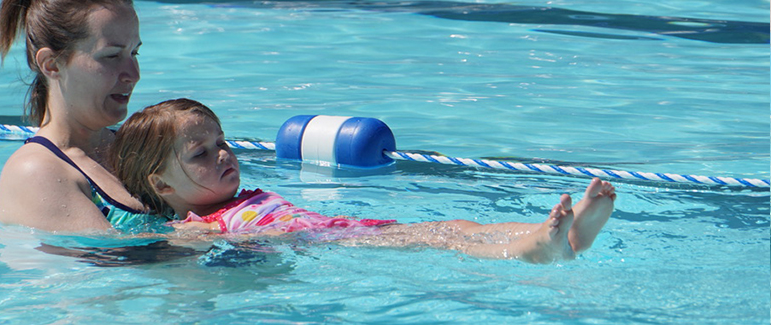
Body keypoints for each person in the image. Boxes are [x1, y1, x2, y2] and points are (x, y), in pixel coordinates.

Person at [112, 99, 617, 264]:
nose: (223, 154)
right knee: (442, 239)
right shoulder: (197, 223)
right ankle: (533, 247)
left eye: (222, 141)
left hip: (343, 227)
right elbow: (176, 245)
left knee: (455, 226)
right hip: (336, 242)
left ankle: (565, 235)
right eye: (201, 153)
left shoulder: (240, 198)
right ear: (163, 185)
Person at [0, 0, 153, 233]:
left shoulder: (134, 150)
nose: (133, 74)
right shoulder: (35, 172)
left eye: (134, 53)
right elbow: (115, 255)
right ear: (52, 64)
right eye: (111, 56)